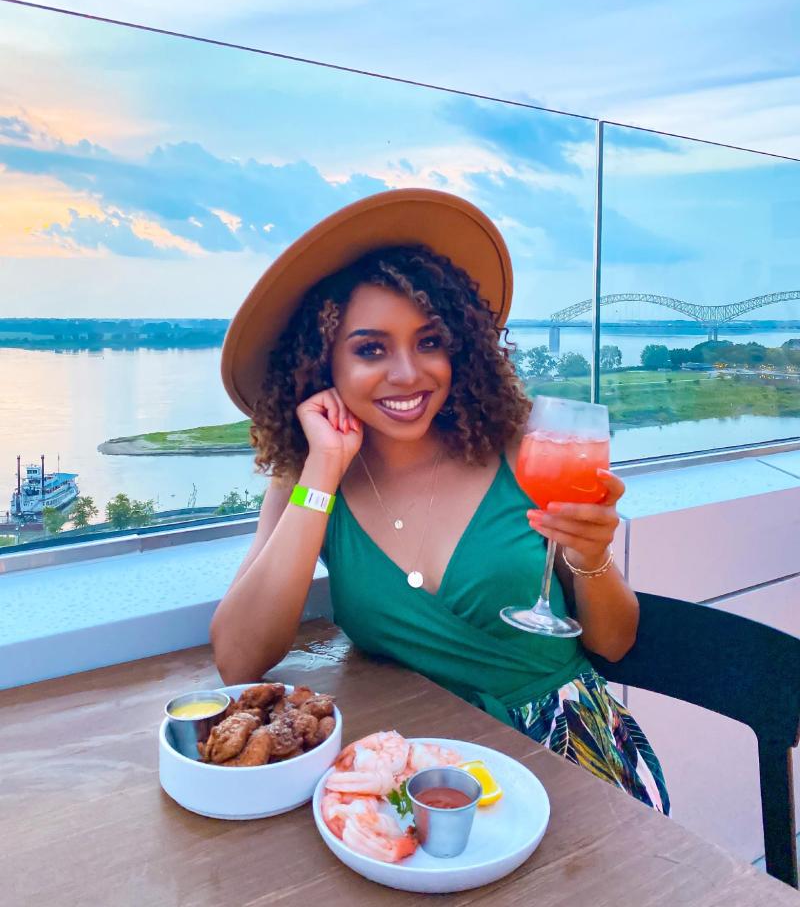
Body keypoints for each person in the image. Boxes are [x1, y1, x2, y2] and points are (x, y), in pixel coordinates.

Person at [213, 188, 669, 813]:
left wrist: (592, 557)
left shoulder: (523, 446)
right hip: (419, 775)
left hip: (571, 756)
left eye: (429, 342)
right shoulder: (311, 477)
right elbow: (240, 658)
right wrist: (321, 469)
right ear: (324, 365)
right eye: (371, 349)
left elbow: (615, 644)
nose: (408, 373)